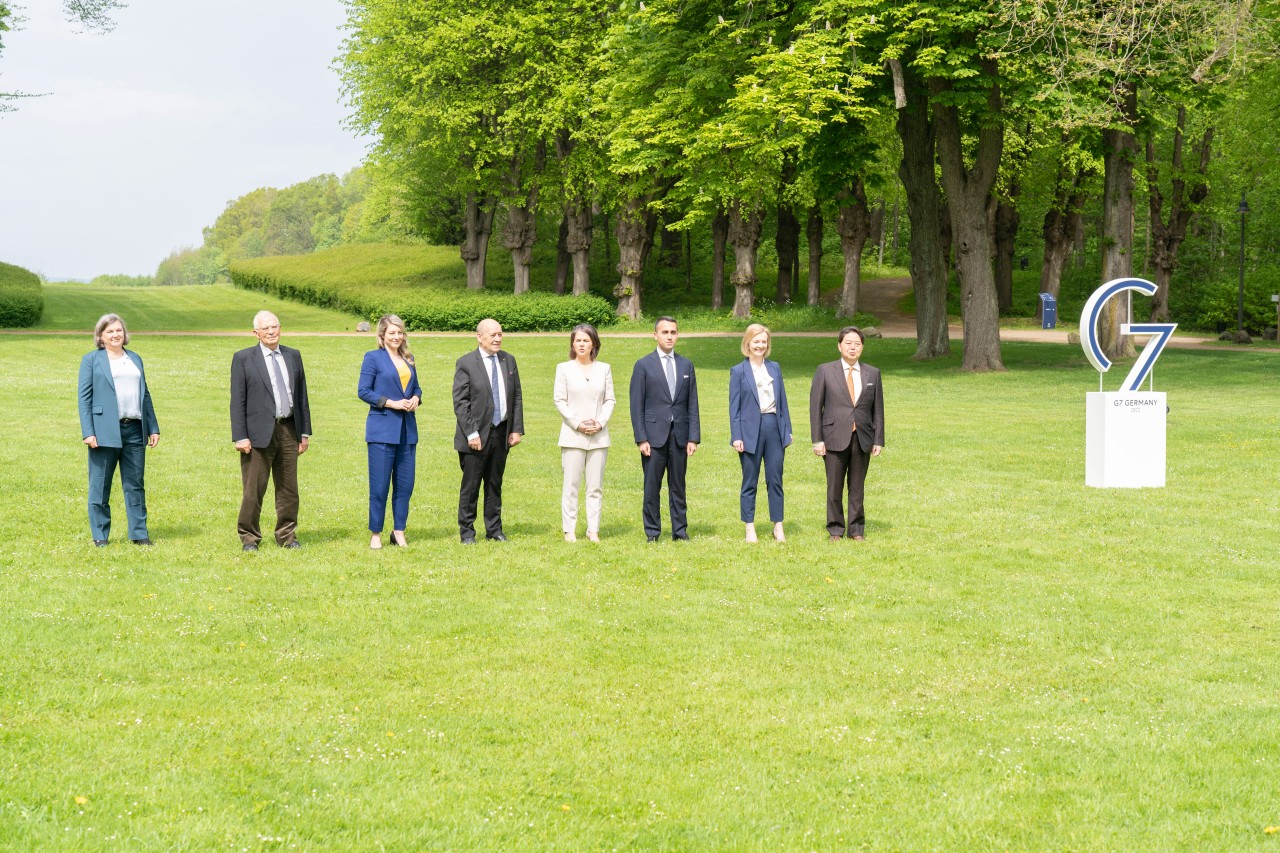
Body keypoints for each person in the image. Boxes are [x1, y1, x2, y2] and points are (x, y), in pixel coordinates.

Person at [230, 310, 312, 551]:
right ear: (255, 333)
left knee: (288, 489)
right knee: (253, 490)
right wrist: (240, 436)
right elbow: (238, 401)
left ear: (280, 328)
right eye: (265, 328)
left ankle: (287, 536)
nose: (271, 331)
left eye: (274, 326)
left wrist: (304, 433)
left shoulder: (293, 356)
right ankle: (249, 538)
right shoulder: (244, 358)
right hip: (256, 435)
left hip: (288, 429)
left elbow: (302, 397)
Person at [77, 313, 160, 547]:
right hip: (104, 431)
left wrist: (153, 426)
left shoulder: (135, 359)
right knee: (100, 485)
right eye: (109, 331)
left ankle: (139, 533)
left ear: (124, 333)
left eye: (118, 330)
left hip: (135, 429)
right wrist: (88, 431)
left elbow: (145, 394)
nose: (115, 335)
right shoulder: (91, 360)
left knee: (135, 484)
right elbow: (84, 400)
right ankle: (100, 535)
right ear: (101, 337)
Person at [809, 326, 885, 541]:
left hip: (863, 438)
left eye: (857, 344)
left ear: (862, 347)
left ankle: (856, 529)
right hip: (833, 437)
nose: (853, 348)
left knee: (857, 487)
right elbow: (816, 408)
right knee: (834, 486)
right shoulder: (825, 371)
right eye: (848, 343)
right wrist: (817, 440)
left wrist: (878, 439)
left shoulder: (873, 373)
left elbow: (877, 409)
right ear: (839, 346)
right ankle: (835, 529)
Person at [453, 318, 524, 544]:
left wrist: (516, 429)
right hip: (476, 436)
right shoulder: (466, 363)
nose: (497, 339)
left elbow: (517, 397)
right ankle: (467, 532)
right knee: (471, 486)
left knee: (495, 484)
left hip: (501, 432)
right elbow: (461, 402)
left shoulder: (508, 361)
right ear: (479, 337)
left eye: (500, 334)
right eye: (492, 335)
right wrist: (472, 433)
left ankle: (494, 530)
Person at [630, 315, 700, 542]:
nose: (669, 336)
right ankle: (652, 532)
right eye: (665, 332)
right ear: (655, 335)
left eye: (673, 332)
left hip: (679, 435)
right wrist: (641, 438)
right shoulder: (643, 365)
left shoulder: (686, 364)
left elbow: (692, 403)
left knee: (678, 486)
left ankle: (680, 531)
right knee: (652, 486)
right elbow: (636, 405)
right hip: (653, 436)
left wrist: (693, 438)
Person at [358, 314, 422, 550]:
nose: (396, 337)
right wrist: (390, 402)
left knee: (405, 485)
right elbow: (363, 391)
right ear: (382, 335)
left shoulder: (409, 358)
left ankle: (399, 530)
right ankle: (376, 533)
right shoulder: (373, 358)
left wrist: (416, 397)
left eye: (400, 333)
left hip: (407, 431)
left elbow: (416, 387)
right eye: (392, 333)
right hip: (382, 431)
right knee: (380, 486)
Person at [728, 323, 793, 543]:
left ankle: (778, 526)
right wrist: (736, 436)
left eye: (764, 342)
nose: (760, 345)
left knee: (775, 479)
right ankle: (749, 527)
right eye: (756, 341)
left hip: (773, 426)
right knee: (750, 480)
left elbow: (782, 401)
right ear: (748, 343)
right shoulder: (738, 371)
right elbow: (734, 407)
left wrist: (787, 430)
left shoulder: (775, 368)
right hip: (749, 432)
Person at [554, 323, 615, 542]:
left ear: (594, 344)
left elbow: (609, 400)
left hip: (598, 437)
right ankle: (569, 529)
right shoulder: (564, 369)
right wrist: (578, 423)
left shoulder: (604, 369)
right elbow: (560, 401)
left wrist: (600, 422)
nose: (581, 344)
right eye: (578, 340)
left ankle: (593, 529)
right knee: (571, 485)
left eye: (586, 340)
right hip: (573, 436)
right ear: (572, 343)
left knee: (595, 486)